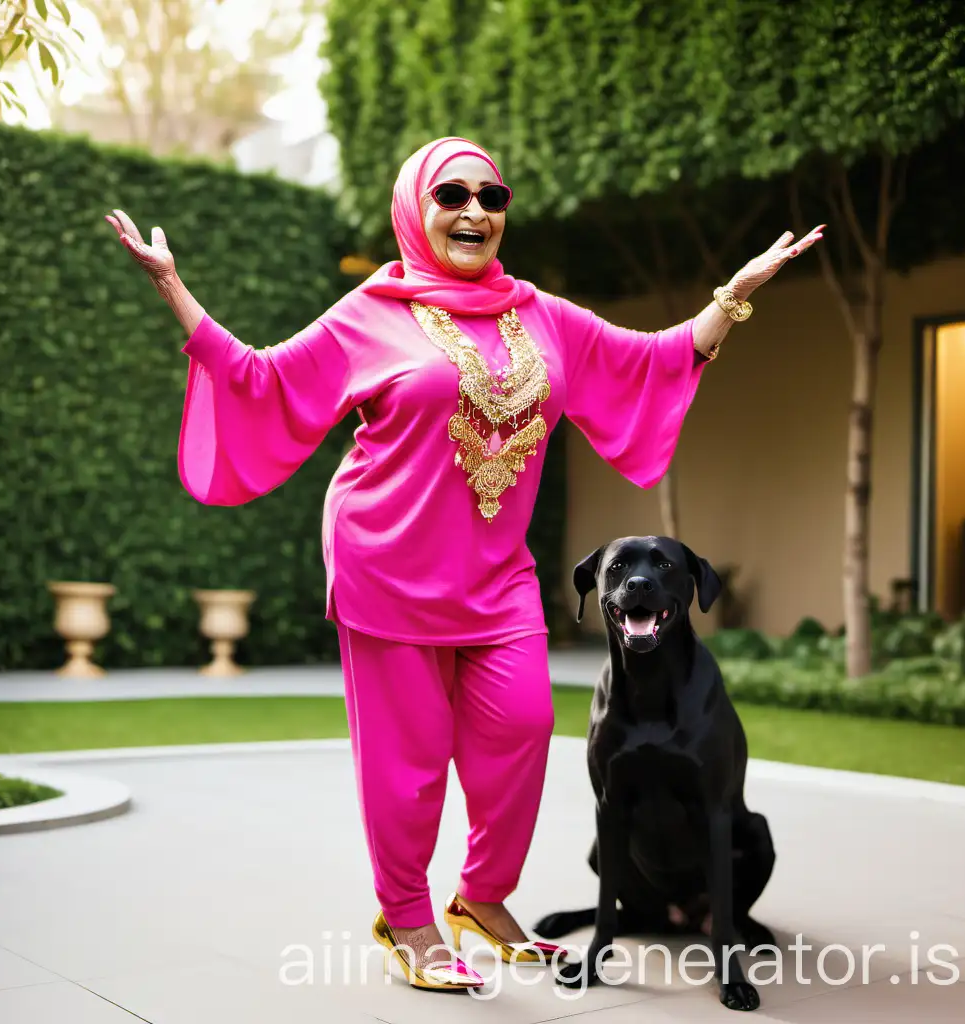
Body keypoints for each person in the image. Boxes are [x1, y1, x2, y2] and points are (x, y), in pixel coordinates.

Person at [105, 137, 822, 991]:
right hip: (387, 566)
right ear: (417, 206)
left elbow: (650, 358)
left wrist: (731, 300)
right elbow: (263, 379)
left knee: (518, 730)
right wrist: (173, 290)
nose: (476, 209)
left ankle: (481, 895)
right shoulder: (370, 312)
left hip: (496, 576)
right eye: (452, 193)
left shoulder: (541, 313)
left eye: (493, 194)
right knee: (406, 766)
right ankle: (405, 918)